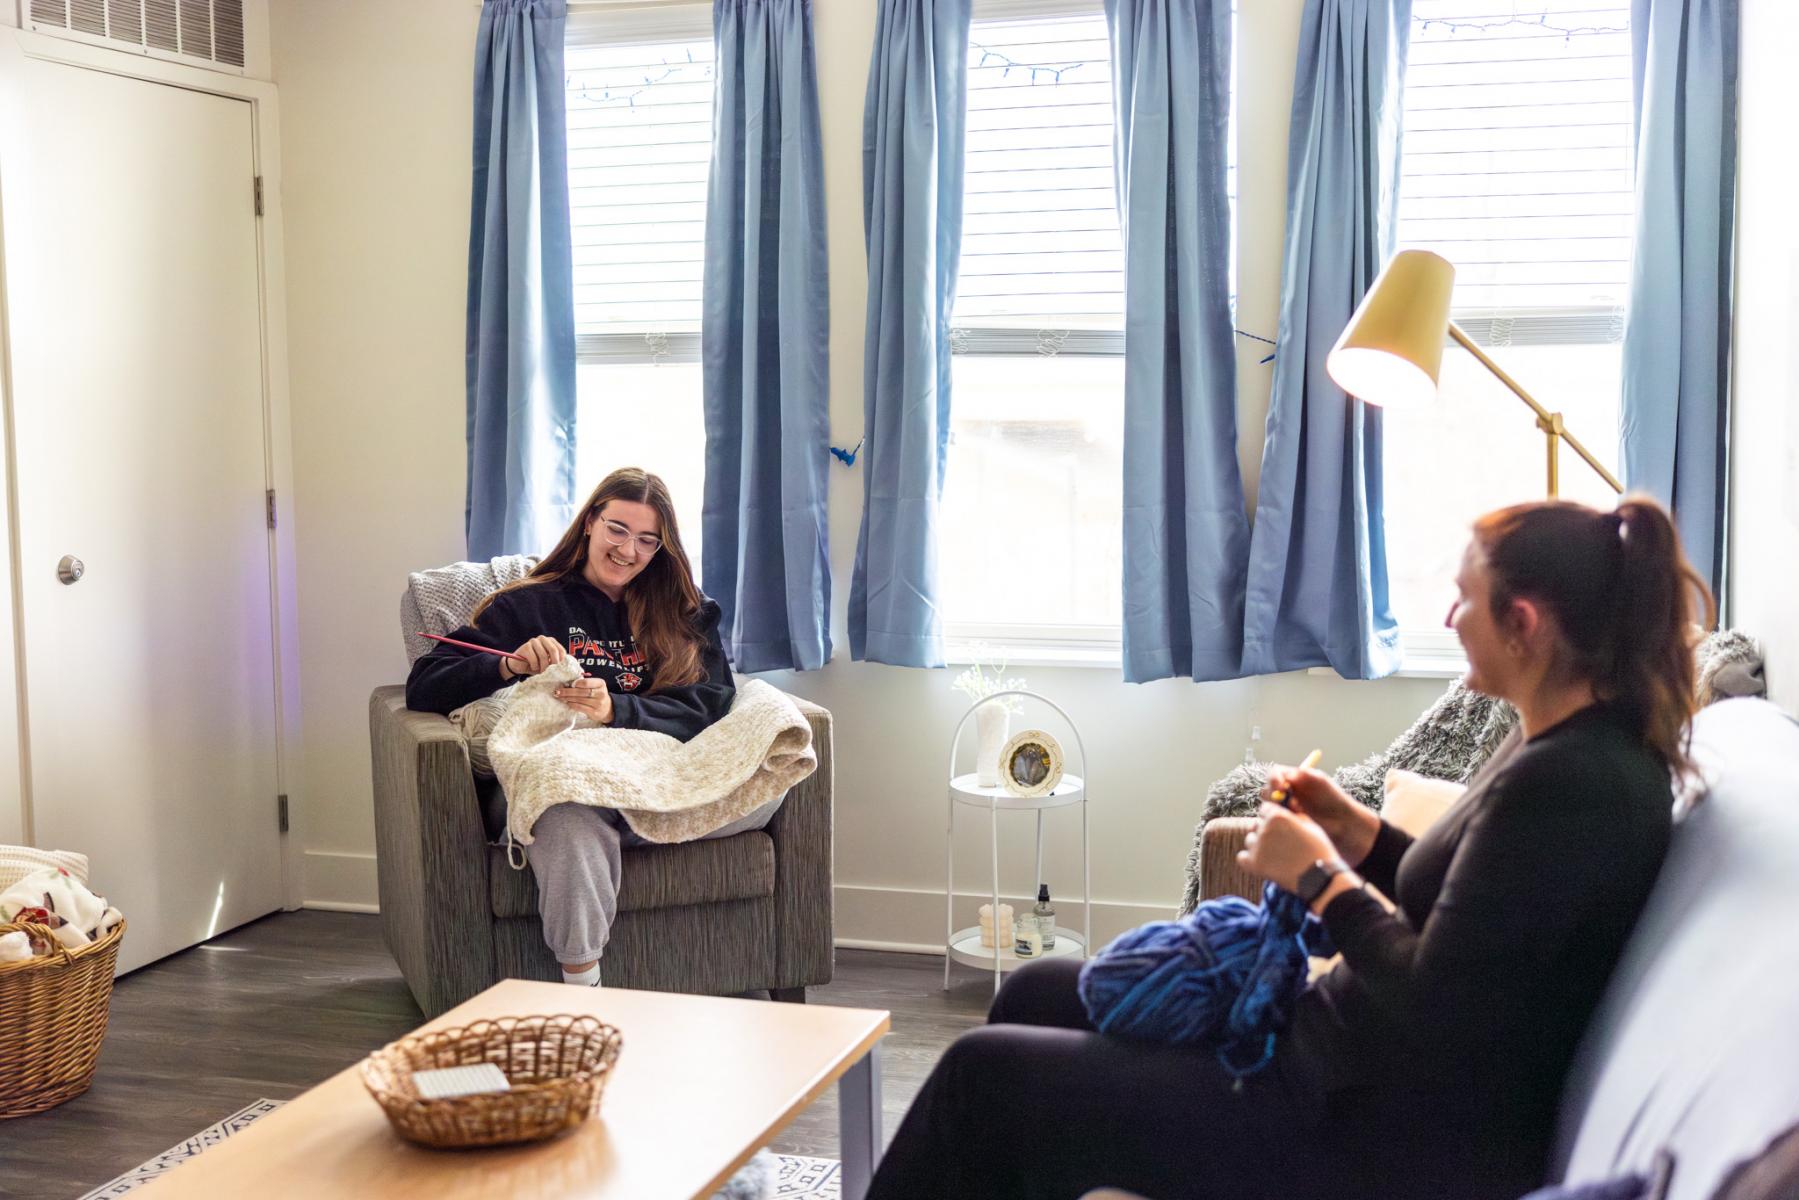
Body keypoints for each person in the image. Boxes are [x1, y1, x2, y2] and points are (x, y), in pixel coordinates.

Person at [867, 496, 1711, 1200]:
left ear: (1523, 623)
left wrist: (1316, 875)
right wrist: (1361, 833)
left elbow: (1433, 1006)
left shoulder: (1574, 783)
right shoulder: (1558, 741)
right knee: (1042, 989)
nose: (1448, 619)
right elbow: (1479, 899)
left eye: (1463, 600)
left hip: (1359, 1132)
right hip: (1335, 1066)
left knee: (980, 1074)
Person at [406, 467, 774, 988]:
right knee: (562, 812)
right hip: (564, 778)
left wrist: (615, 710)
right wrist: (508, 665)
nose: (628, 550)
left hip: (653, 775)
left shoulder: (686, 611)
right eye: (617, 530)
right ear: (590, 523)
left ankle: (624, 823)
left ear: (661, 550)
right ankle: (585, 989)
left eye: (647, 540)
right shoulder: (528, 604)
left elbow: (711, 707)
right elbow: (425, 684)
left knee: (769, 779)